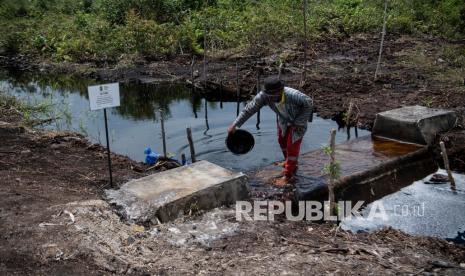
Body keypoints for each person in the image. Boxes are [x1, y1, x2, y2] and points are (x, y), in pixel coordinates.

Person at [228, 76, 313, 186]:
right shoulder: (264, 96)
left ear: (281, 91)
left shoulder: (293, 95)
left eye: (274, 95)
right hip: (283, 118)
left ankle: (288, 175)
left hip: (297, 122)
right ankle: (288, 162)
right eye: (269, 95)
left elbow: (308, 103)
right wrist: (235, 125)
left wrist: (299, 121)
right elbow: (249, 109)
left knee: (292, 147)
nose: (270, 98)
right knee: (282, 141)